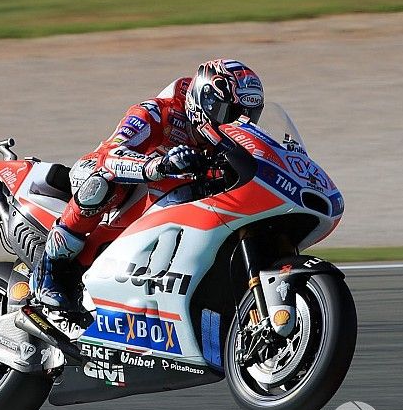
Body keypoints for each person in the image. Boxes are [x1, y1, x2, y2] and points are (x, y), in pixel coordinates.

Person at [29, 59, 265, 310]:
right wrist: (159, 165)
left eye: (249, 117)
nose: (237, 124)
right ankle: (50, 268)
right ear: (205, 101)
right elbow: (110, 155)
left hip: (171, 197)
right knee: (100, 183)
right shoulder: (157, 112)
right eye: (230, 114)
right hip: (113, 177)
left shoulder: (226, 141)